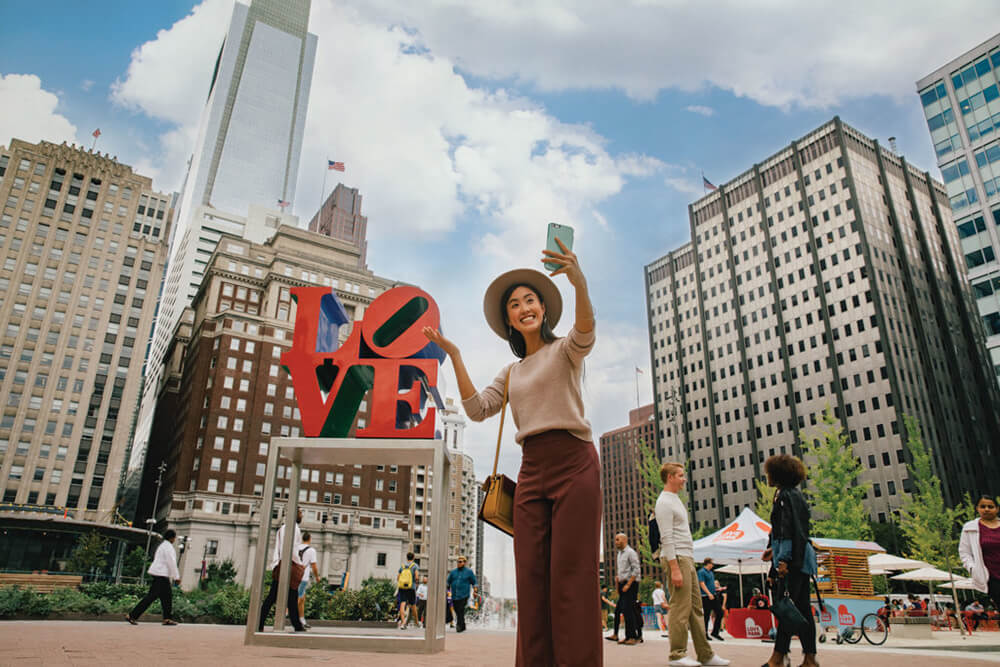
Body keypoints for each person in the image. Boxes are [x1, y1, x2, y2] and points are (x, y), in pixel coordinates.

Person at [423, 238, 601, 666]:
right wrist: (456, 356)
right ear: (508, 320)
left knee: (571, 581)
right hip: (532, 472)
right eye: (515, 305)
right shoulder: (512, 371)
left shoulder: (566, 351)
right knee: (533, 583)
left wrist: (578, 282)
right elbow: (476, 409)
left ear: (543, 308)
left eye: (531, 300)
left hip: (575, 464)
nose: (524, 308)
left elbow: (586, 331)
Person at [655, 462, 730, 667]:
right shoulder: (663, 503)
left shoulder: (675, 500)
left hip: (687, 557)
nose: (684, 479)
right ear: (670, 477)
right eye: (680, 475)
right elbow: (667, 538)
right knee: (680, 608)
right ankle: (677, 655)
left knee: (697, 608)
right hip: (676, 558)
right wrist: (675, 568)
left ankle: (705, 654)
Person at [761, 454, 817, 667]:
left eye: (769, 473)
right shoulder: (796, 495)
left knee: (786, 606)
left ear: (778, 474)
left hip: (791, 560)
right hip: (803, 558)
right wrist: (773, 550)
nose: (767, 476)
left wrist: (782, 558)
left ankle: (779, 657)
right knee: (801, 608)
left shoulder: (784, 496)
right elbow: (795, 529)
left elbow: (786, 529)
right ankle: (809, 657)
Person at [258, 508, 305, 632]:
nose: (302, 516)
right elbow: (291, 548)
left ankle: (297, 625)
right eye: (300, 513)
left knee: (286, 596)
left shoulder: (284, 528)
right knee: (281, 596)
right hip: (287, 565)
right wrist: (300, 564)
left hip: (282, 564)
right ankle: (297, 625)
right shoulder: (293, 528)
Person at [126, 529, 181, 626]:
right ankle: (132, 615)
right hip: (161, 575)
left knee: (167, 597)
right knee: (151, 597)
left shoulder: (162, 546)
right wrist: (176, 576)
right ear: (172, 538)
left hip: (159, 574)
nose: (175, 539)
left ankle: (167, 618)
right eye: (174, 537)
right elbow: (171, 562)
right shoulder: (168, 547)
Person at [959, 494, 1000, 613]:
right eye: (983, 506)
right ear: (977, 508)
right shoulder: (969, 528)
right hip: (991, 577)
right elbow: (964, 552)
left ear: (997, 509)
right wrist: (972, 568)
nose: (986, 509)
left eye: (990, 506)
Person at [607, 533, 641, 645]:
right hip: (622, 584)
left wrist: (628, 584)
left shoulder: (630, 553)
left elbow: (636, 570)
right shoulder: (619, 554)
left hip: (630, 584)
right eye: (615, 539)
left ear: (624, 540)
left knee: (629, 610)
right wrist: (618, 583)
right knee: (620, 610)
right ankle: (624, 636)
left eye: (618, 539)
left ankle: (632, 637)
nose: (615, 542)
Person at [447, 555, 478, 632]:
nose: (459, 563)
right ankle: (463, 625)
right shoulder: (453, 572)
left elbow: (474, 582)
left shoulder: (469, 572)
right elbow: (448, 581)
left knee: (460, 609)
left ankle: (459, 626)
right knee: (457, 610)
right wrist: (447, 590)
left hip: (464, 595)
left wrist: (475, 591)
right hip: (454, 595)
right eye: (458, 562)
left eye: (461, 562)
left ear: (464, 563)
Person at [296, 532, 319, 630]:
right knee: (299, 599)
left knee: (302, 599)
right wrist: (317, 577)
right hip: (303, 577)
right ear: (309, 539)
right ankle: (290, 615)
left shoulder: (297, 548)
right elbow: (314, 565)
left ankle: (302, 620)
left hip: (294, 576)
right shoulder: (311, 550)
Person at [698, 558, 724, 640]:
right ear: (708, 563)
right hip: (706, 595)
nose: (713, 565)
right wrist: (708, 593)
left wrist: (717, 588)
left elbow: (711, 583)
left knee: (720, 612)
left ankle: (715, 632)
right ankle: (704, 633)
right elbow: (702, 583)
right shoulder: (702, 572)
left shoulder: (711, 573)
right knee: (707, 614)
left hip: (713, 595)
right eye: (712, 563)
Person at [397, 552, 418, 629]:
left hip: (402, 587)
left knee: (402, 603)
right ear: (413, 557)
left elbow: (398, 577)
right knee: (413, 605)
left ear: (407, 557)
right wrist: (416, 583)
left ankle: (403, 623)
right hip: (411, 587)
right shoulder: (414, 566)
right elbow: (416, 577)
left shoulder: (402, 566)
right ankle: (416, 622)